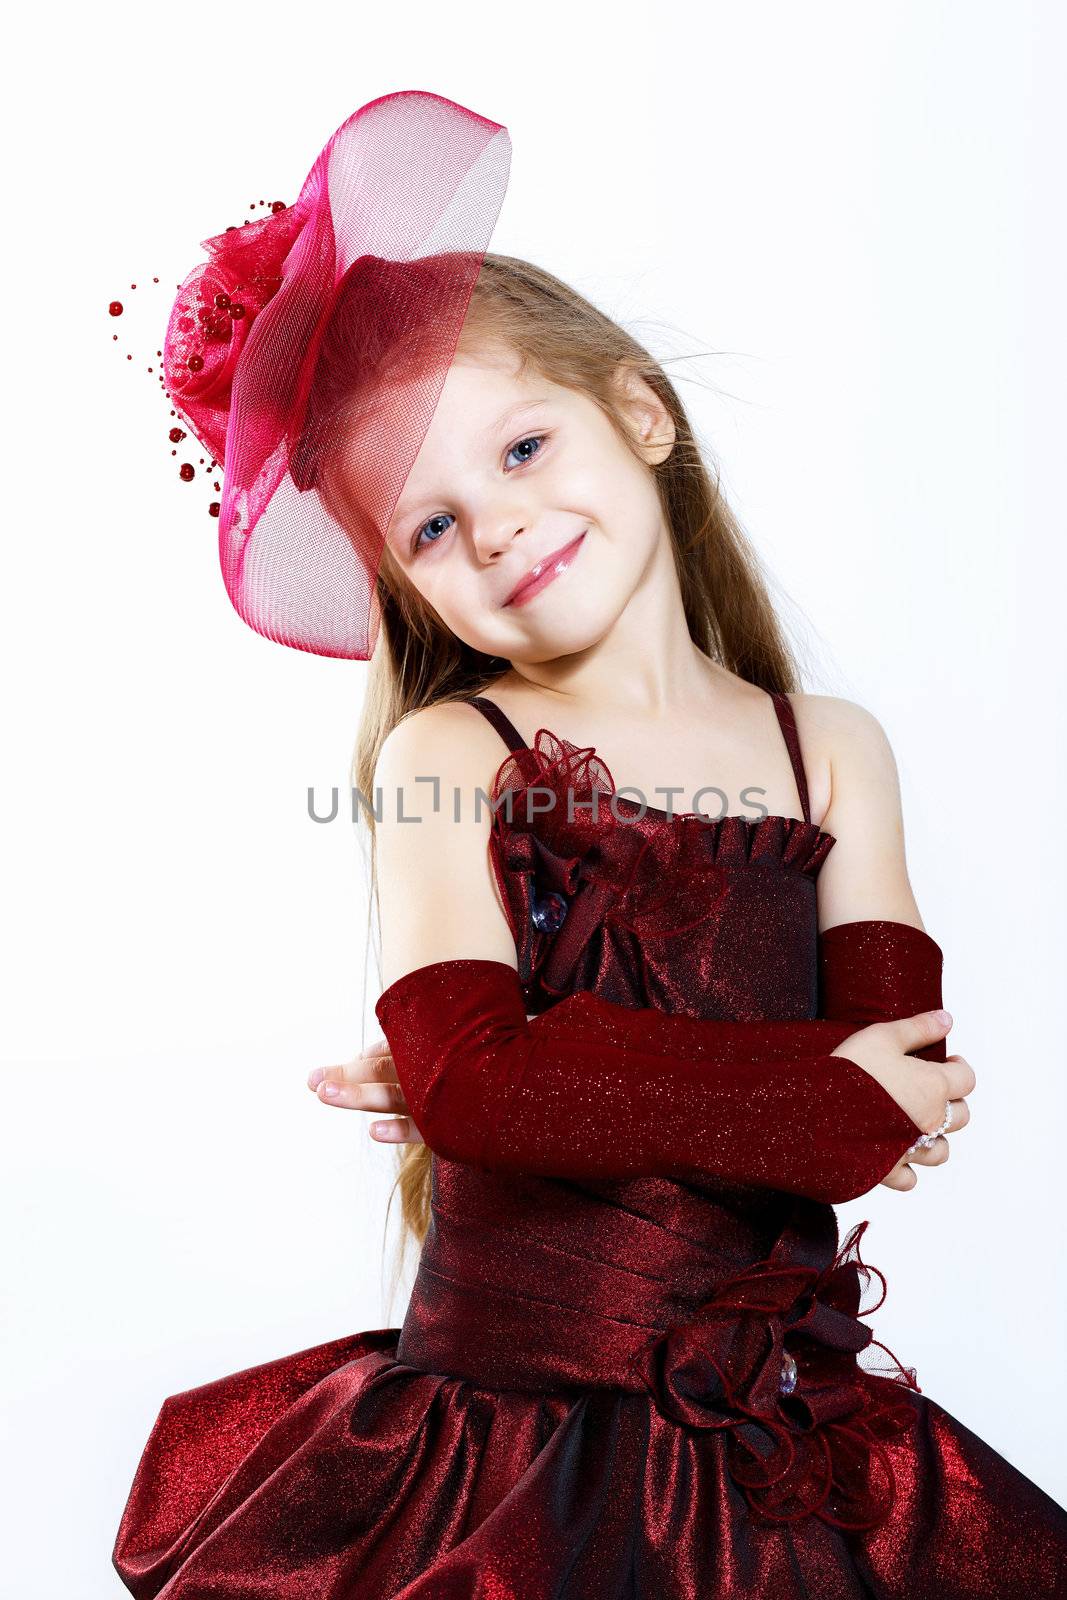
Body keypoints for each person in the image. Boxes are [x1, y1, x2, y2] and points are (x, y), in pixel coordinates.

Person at [112, 93, 1067, 1599]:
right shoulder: (453, 757)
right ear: (407, 596)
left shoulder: (834, 751)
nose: (492, 525)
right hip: (512, 1453)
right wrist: (506, 1075)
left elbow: (883, 1094)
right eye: (426, 528)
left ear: (640, 412)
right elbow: (492, 1087)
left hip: (774, 1441)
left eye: (523, 446)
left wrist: (567, 1067)